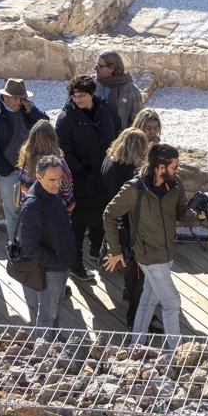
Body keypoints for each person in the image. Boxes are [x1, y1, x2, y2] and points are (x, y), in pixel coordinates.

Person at [102, 144, 206, 343]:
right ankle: (177, 353)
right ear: (160, 168)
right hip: (149, 256)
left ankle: (136, 345)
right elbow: (109, 214)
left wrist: (198, 215)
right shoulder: (134, 189)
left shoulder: (174, 185)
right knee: (172, 302)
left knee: (148, 300)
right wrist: (114, 250)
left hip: (167, 254)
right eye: (174, 166)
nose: (177, 170)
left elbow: (182, 212)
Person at [55, 74, 120, 282]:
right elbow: (64, 151)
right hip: (82, 181)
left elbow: (118, 132)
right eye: (74, 96)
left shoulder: (106, 110)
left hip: (105, 177)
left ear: (92, 94)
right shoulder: (66, 120)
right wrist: (84, 173)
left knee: (103, 217)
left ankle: (96, 251)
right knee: (78, 225)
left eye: (81, 95)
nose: (77, 99)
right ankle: (76, 265)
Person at [0, 78, 49, 242]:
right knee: (13, 213)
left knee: (33, 209)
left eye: (22, 98)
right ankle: (16, 248)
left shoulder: (27, 110)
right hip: (9, 173)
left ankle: (31, 246)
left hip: (31, 170)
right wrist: (7, 171)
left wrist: (32, 110)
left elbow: (45, 125)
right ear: (5, 97)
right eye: (16, 98)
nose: (20, 101)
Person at [17, 156, 77, 333]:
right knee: (46, 316)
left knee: (54, 311)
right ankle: (42, 355)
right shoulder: (33, 206)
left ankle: (53, 346)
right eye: (52, 179)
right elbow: (30, 247)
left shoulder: (51, 193)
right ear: (38, 177)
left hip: (61, 265)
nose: (57, 184)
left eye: (59, 179)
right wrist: (58, 262)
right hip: (51, 269)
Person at [99, 127, 150, 329]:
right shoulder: (129, 173)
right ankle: (136, 321)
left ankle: (129, 295)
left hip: (113, 223)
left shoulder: (109, 161)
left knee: (131, 276)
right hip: (128, 229)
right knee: (137, 278)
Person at [93, 50, 144, 129]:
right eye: (97, 64)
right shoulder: (91, 83)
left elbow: (138, 123)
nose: (96, 68)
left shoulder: (131, 90)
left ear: (112, 68)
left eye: (100, 66)